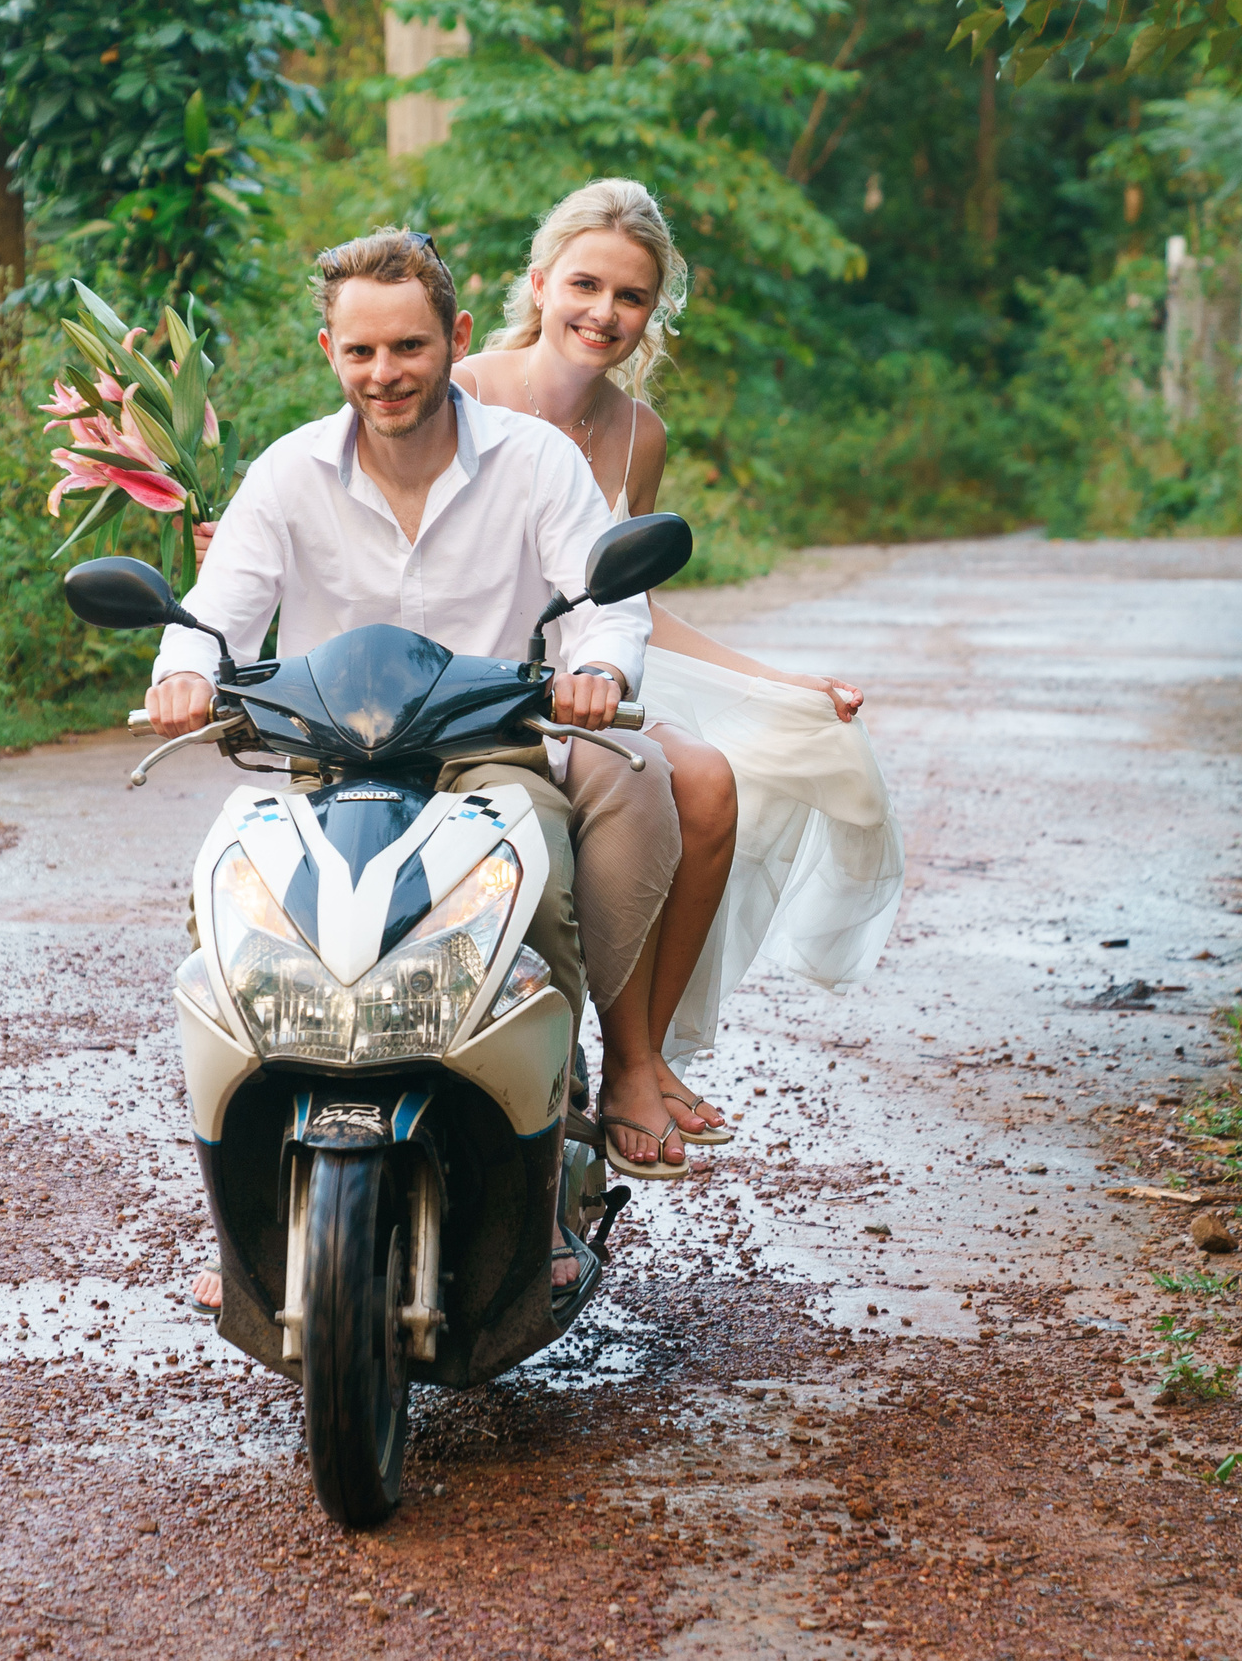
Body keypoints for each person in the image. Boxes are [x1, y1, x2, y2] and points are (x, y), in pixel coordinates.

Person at [151, 228, 695, 1305]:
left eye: (406, 347)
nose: (384, 375)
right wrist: (183, 670)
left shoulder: (532, 461)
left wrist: (591, 667)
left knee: (533, 908)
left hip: (484, 764)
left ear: (452, 338)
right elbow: (213, 615)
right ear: (328, 350)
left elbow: (603, 599)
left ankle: (541, 1189)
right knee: (231, 931)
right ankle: (250, 1223)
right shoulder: (288, 470)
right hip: (320, 772)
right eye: (359, 353)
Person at [453, 179, 905, 1102]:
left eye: (630, 297)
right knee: (668, 778)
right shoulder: (464, 393)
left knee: (708, 777)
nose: (603, 313)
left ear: (652, 313)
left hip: (588, 682)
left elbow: (631, 601)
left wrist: (780, 678)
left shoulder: (636, 435)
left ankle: (636, 1059)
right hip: (470, 681)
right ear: (539, 284)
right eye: (585, 284)